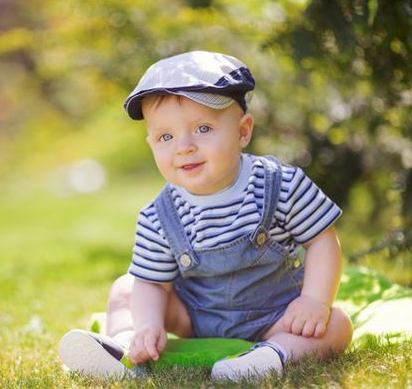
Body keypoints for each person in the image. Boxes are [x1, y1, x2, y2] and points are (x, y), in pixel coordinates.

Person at [58, 50, 353, 382]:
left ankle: (270, 356)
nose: (183, 146)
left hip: (276, 316)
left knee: (337, 324)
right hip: (196, 319)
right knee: (126, 289)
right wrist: (149, 324)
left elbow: (322, 240)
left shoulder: (281, 184)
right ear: (151, 143)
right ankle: (128, 352)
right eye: (165, 136)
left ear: (243, 131)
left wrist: (314, 300)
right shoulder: (159, 215)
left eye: (202, 128)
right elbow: (152, 283)